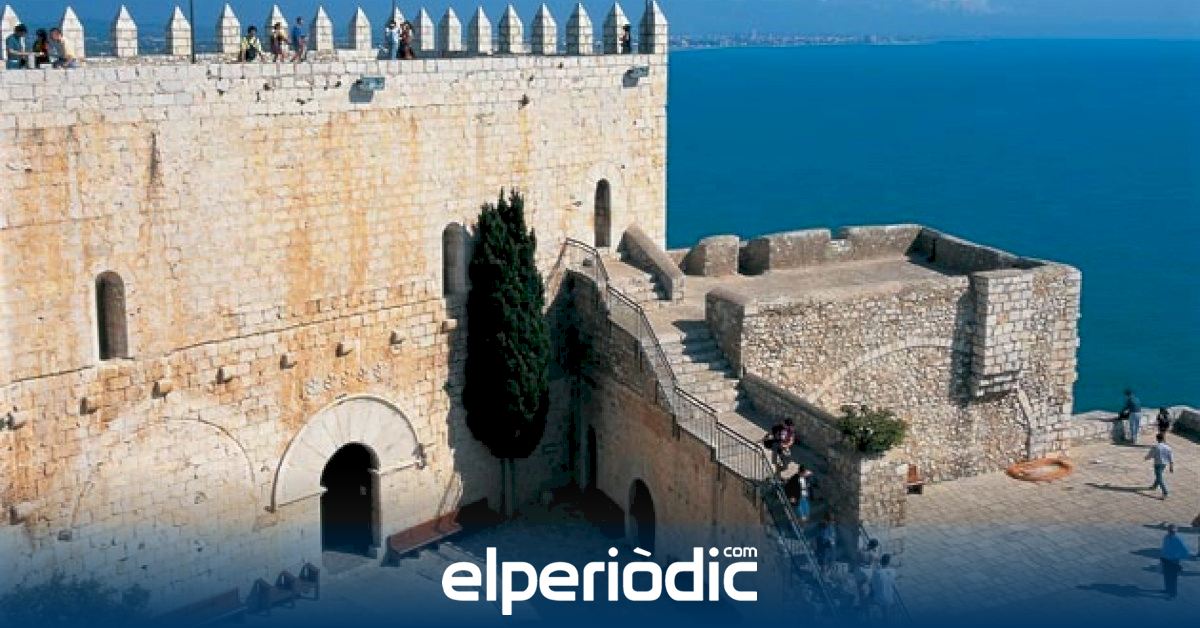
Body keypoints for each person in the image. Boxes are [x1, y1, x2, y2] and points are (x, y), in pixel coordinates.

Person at [1161, 524, 1189, 599]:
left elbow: (1185, 551)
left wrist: (1176, 556)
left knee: (1173, 577)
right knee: (1166, 575)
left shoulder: (1178, 539)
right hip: (1166, 559)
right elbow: (1164, 547)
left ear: (1175, 531)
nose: (1171, 532)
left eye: (1172, 531)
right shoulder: (1166, 537)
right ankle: (1167, 589)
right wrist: (1162, 556)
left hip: (1173, 560)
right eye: (1170, 530)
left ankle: (1173, 593)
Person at [1144, 432, 1174, 499]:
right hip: (1164, 464)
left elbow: (1151, 455)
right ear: (1163, 439)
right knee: (1159, 475)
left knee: (1159, 478)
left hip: (1157, 464)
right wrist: (1171, 466)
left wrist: (1146, 458)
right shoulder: (1168, 447)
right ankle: (1154, 486)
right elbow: (1171, 457)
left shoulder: (1155, 447)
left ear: (1157, 439)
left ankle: (1165, 492)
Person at [869, 554, 899, 619]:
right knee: (886, 613)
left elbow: (873, 586)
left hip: (879, 598)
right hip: (889, 597)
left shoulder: (877, 572)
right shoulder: (893, 571)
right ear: (889, 562)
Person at [854, 538, 881, 607]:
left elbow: (856, 558)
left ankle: (861, 602)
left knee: (859, 587)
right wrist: (876, 552)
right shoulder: (873, 554)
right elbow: (878, 559)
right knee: (872, 585)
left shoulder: (860, 550)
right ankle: (870, 600)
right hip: (867, 570)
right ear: (875, 546)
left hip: (859, 569)